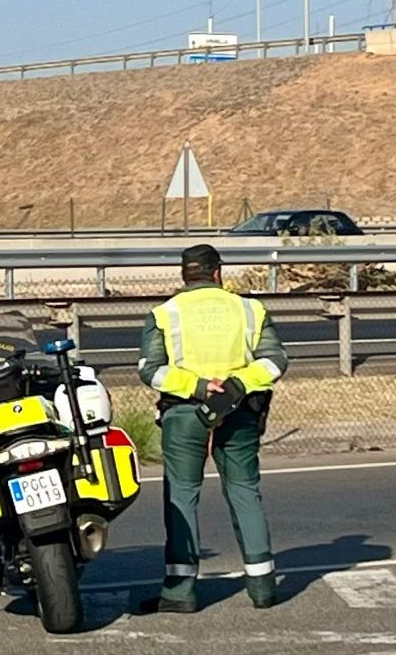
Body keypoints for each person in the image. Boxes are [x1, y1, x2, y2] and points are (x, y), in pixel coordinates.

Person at [137, 244, 288, 614]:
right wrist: (238, 385)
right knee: (244, 492)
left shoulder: (164, 314)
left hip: (185, 414)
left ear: (184, 275)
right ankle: (263, 587)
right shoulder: (250, 309)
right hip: (240, 412)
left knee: (182, 496)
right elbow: (275, 361)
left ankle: (180, 592)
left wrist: (200, 387)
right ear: (218, 273)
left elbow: (151, 370)